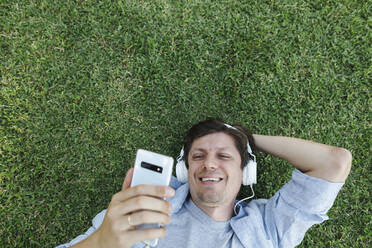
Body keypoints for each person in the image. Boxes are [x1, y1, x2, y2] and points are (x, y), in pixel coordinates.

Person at [56, 118, 352, 248]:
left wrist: (248, 141)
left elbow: (334, 163)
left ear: (247, 173)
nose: (210, 163)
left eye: (224, 156)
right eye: (198, 156)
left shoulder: (270, 228)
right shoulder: (142, 213)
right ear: (185, 171)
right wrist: (100, 244)